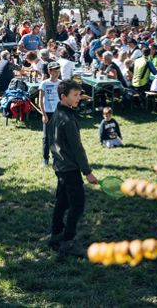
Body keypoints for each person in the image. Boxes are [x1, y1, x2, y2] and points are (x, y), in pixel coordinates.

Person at [48, 80, 98, 257]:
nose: (78, 98)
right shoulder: (68, 120)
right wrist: (88, 172)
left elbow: (49, 140)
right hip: (69, 168)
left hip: (60, 166)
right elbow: (77, 149)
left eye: (79, 95)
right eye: (75, 95)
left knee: (62, 201)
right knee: (77, 204)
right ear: (63, 97)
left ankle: (56, 235)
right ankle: (68, 242)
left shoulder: (57, 112)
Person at [39, 62, 62, 167]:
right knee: (46, 137)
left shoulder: (61, 84)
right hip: (48, 113)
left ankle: (56, 158)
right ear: (49, 71)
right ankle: (45, 158)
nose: (57, 73)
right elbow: (40, 100)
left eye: (58, 71)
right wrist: (44, 114)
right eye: (55, 72)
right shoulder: (44, 84)